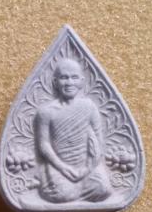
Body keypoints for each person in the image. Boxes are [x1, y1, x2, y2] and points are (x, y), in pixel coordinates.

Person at [35, 58, 111, 203]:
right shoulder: (46, 111)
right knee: (62, 194)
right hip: (58, 165)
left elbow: (98, 141)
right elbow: (44, 145)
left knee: (104, 189)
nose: (69, 82)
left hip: (87, 164)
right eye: (64, 78)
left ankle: (75, 194)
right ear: (55, 82)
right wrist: (62, 167)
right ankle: (69, 192)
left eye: (74, 77)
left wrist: (87, 168)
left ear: (82, 81)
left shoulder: (89, 106)